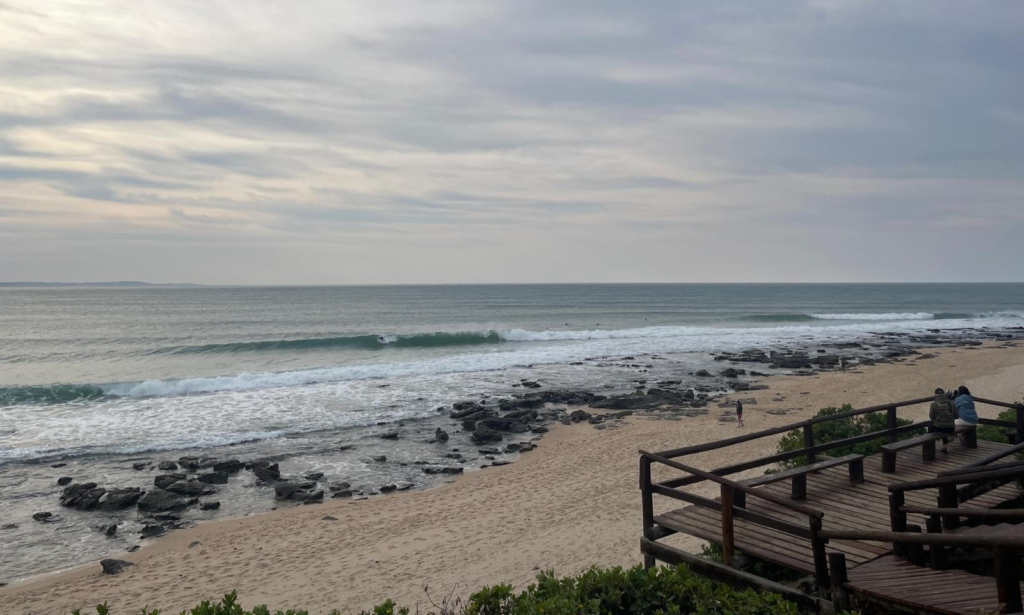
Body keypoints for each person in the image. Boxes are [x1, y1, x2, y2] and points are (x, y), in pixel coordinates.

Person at [929, 387, 957, 453]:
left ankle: (930, 447)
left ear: (935, 395)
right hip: (951, 428)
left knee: (930, 427)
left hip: (939, 428)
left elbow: (931, 417)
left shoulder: (933, 404)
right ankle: (945, 447)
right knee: (945, 425)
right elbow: (957, 416)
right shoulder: (951, 403)